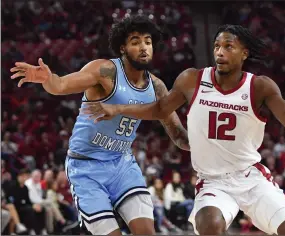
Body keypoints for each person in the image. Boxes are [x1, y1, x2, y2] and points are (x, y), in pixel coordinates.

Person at [82, 24, 285, 235]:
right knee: (209, 226)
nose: (220, 51)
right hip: (213, 182)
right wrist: (117, 109)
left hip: (251, 178)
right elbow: (160, 109)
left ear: (244, 53)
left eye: (229, 46)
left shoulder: (260, 86)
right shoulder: (192, 79)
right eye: (217, 46)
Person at [10, 15, 189, 236]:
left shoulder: (157, 87)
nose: (143, 47)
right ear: (122, 48)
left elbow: (179, 135)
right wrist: (49, 79)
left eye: (148, 41)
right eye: (135, 41)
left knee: (146, 232)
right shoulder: (106, 72)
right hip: (86, 168)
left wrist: (209, 145)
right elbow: (62, 85)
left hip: (122, 164)